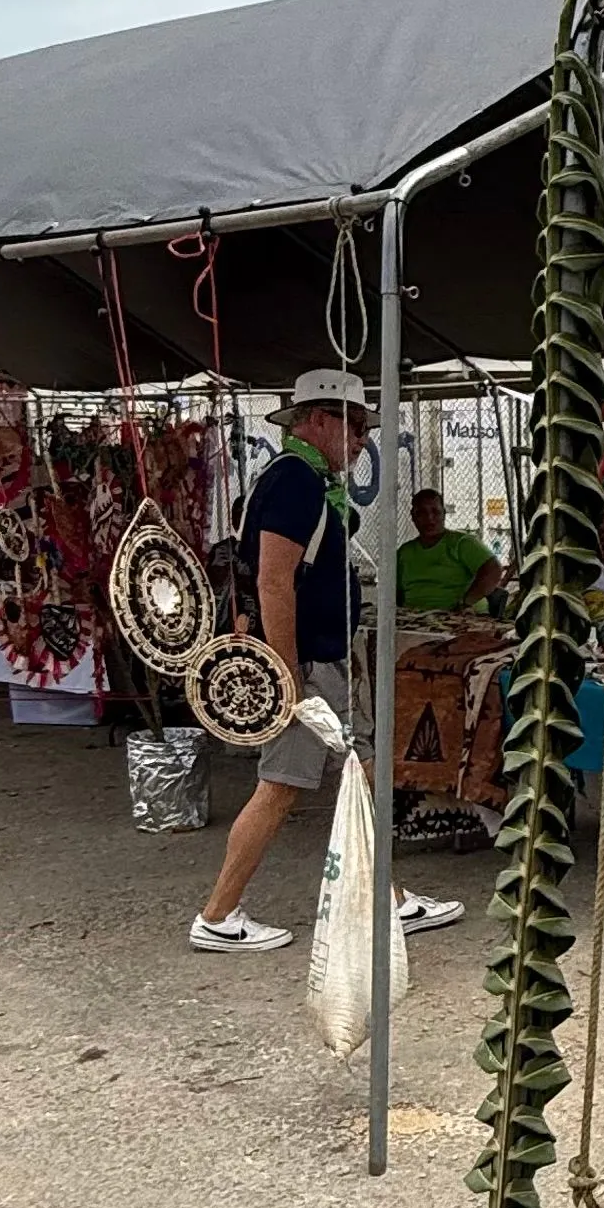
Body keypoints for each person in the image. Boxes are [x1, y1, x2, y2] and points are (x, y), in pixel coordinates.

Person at [191, 368, 463, 952]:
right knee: (281, 785)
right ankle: (218, 913)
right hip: (306, 664)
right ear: (318, 420)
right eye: (356, 427)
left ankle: (387, 901)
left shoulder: (306, 480)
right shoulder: (295, 481)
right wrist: (290, 673)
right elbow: (273, 582)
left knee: (361, 771)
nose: (362, 441)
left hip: (321, 660)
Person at [395, 488, 504, 615]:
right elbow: (396, 593)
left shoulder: (462, 543)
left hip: (461, 616)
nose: (429, 518)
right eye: (422, 513)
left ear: (444, 514)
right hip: (414, 618)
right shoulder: (404, 552)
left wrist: (466, 603)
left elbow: (493, 569)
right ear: (413, 517)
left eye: (435, 512)